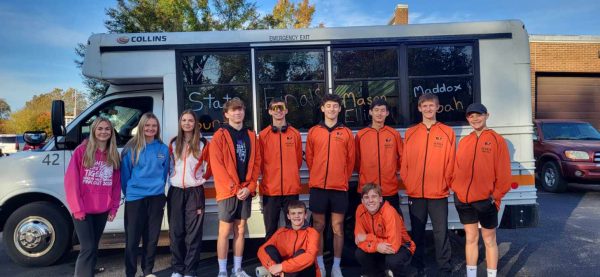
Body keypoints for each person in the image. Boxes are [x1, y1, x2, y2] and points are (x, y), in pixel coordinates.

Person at [451, 103, 512, 277]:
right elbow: (458, 168)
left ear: (487, 116)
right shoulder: (465, 141)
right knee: (470, 239)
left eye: (478, 115)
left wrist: (495, 196)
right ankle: (472, 275)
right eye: (471, 116)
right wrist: (457, 190)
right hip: (463, 200)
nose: (475, 119)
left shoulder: (496, 140)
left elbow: (504, 174)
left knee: (489, 240)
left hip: (486, 200)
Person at [400, 93, 455, 275]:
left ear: (438, 108)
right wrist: (409, 184)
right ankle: (417, 267)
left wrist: (444, 183)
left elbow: (451, 162)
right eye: (425, 106)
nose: (428, 109)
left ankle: (444, 268)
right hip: (415, 194)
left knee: (441, 233)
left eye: (432, 105)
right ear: (419, 108)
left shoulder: (447, 132)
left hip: (438, 193)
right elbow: (405, 162)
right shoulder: (411, 132)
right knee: (417, 232)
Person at [209, 98, 261, 277]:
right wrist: (234, 187)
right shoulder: (220, 136)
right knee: (224, 231)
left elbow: (257, 164)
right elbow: (217, 166)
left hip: (245, 190)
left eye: (240, 109)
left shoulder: (252, 136)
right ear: (226, 114)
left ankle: (237, 269)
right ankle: (223, 270)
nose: (237, 112)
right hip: (227, 191)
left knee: (240, 229)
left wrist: (250, 186)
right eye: (233, 110)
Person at [64, 117, 121, 277]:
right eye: (100, 128)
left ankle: (88, 272)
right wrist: (77, 209)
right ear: (94, 131)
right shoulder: (81, 151)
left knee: (94, 246)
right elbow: (71, 182)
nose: (104, 132)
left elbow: (116, 185)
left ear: (111, 132)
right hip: (83, 210)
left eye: (107, 129)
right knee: (87, 247)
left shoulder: (113, 154)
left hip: (102, 209)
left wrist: (113, 208)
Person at [306, 93, 355, 277]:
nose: (332, 109)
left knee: (338, 227)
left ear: (340, 109)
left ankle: (336, 266)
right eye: (328, 106)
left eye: (335, 106)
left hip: (339, 188)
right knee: (318, 226)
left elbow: (351, 161)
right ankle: (320, 264)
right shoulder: (314, 131)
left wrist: (340, 177)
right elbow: (310, 159)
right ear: (322, 108)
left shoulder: (347, 133)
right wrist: (319, 174)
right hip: (318, 187)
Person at [121, 112, 170, 277]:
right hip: (135, 198)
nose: (150, 128)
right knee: (132, 240)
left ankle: (148, 271)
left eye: (154, 126)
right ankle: (130, 272)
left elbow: (164, 174)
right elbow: (125, 176)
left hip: (156, 198)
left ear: (157, 128)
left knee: (152, 238)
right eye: (147, 125)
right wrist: (132, 192)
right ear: (141, 127)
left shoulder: (163, 148)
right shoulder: (131, 148)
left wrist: (156, 189)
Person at [167, 110, 211, 277]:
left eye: (190, 120)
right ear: (180, 123)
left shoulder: (203, 143)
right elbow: (169, 166)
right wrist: (172, 178)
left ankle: (190, 270)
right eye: (184, 120)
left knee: (193, 233)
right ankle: (177, 270)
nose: (187, 123)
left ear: (195, 123)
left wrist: (199, 179)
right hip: (176, 191)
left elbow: (209, 166)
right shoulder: (173, 142)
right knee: (176, 232)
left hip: (195, 192)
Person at [258, 98, 303, 240]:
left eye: (281, 108)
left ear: (286, 111)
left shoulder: (295, 134)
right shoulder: (263, 135)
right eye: (274, 108)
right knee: (271, 229)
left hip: (291, 189)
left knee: (293, 228)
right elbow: (259, 163)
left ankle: (293, 260)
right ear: (270, 111)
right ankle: (271, 260)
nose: (278, 111)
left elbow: (298, 161)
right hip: (271, 190)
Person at [355, 98, 404, 216]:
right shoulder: (361, 135)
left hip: (389, 188)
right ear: (370, 112)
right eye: (376, 110)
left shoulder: (394, 134)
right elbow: (356, 161)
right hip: (367, 190)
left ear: (387, 113)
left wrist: (391, 171)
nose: (379, 113)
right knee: (368, 225)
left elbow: (402, 158)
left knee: (393, 222)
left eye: (382, 110)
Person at [355, 183, 415, 277]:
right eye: (366, 197)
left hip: (402, 245)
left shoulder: (389, 212)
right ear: (362, 201)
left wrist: (368, 237)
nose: (370, 200)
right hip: (380, 246)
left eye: (374, 196)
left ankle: (406, 273)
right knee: (360, 253)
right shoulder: (360, 209)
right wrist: (376, 246)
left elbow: (394, 246)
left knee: (392, 261)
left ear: (380, 199)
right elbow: (358, 240)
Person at [256, 200, 321, 277]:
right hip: (283, 272)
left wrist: (282, 267)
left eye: (300, 213)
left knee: (301, 253)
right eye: (293, 213)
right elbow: (262, 250)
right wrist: (272, 266)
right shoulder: (281, 231)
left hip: (306, 272)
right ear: (288, 216)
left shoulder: (312, 232)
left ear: (305, 215)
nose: (296, 216)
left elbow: (310, 257)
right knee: (269, 248)